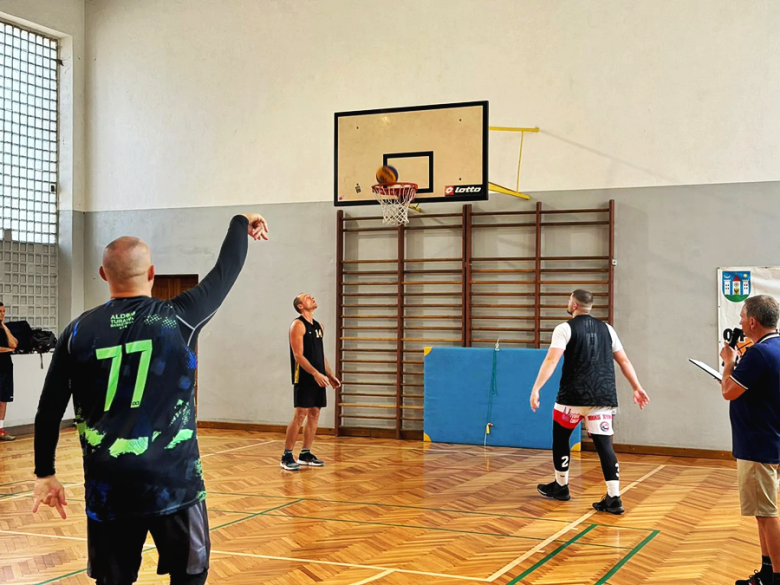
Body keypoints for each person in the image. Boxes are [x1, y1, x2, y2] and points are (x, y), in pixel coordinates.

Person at [32, 213, 269, 585]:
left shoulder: (76, 332)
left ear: (103, 274)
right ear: (152, 272)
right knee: (191, 573)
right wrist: (242, 222)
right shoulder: (179, 317)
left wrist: (45, 473)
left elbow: (48, 409)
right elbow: (226, 270)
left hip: (108, 484)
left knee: (113, 579)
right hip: (174, 481)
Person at [529, 289, 649, 514]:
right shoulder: (608, 329)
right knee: (604, 445)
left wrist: (536, 388)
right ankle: (614, 497)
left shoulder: (564, 328)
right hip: (602, 397)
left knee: (561, 438)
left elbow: (552, 359)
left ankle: (561, 486)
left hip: (572, 396)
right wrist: (637, 387)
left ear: (574, 305)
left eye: (568, 300)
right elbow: (623, 361)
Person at [721, 295, 780, 585]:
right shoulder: (775, 348)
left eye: (743, 317)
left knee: (767, 514)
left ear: (753, 321)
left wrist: (729, 363)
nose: (741, 322)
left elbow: (729, 391)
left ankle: (778, 577)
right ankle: (768, 572)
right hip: (772, 439)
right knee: (762, 512)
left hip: (758, 444)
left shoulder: (758, 354)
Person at [281, 293, 339, 471]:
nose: (312, 298)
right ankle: (287, 456)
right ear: (300, 306)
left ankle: (305, 453)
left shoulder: (319, 326)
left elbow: (320, 355)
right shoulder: (297, 325)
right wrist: (315, 373)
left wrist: (329, 374)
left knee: (314, 413)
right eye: (307, 297)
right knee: (300, 414)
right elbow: (298, 355)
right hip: (305, 375)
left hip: (318, 376)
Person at [0, 302, 18, 441]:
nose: (2, 314)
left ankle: (0, 429)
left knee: (4, 399)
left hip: (6, 367)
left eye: (3, 311)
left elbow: (13, 344)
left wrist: (4, 327)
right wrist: (7, 350)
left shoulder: (3, 329)